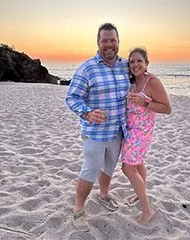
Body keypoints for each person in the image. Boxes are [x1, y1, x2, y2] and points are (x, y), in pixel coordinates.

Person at [65, 23, 130, 231]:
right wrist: (87, 113)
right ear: (98, 43)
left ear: (118, 42)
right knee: (90, 170)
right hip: (94, 133)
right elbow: (72, 97)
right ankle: (78, 209)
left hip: (118, 132)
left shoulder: (125, 65)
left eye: (113, 40)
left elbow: (141, 80)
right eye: (105, 40)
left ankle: (103, 195)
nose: (109, 44)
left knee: (109, 167)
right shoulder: (87, 68)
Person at [121, 47, 171, 225]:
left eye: (139, 61)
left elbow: (167, 108)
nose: (135, 64)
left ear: (146, 63)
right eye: (132, 61)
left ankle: (147, 210)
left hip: (142, 132)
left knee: (127, 168)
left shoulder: (153, 81)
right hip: (130, 129)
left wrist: (146, 102)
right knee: (138, 162)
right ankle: (140, 192)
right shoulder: (132, 82)